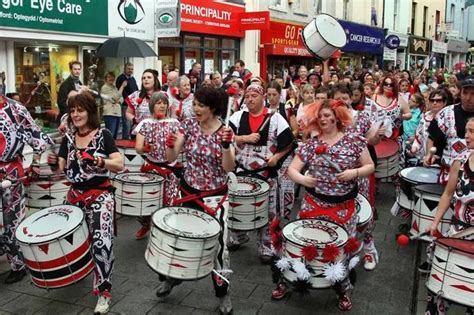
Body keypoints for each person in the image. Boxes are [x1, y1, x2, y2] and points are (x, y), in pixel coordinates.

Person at [277, 99, 374, 310]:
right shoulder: (312, 144)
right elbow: (293, 169)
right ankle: (288, 280)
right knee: (305, 245)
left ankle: (342, 290)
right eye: (320, 116)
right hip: (314, 203)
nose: (323, 119)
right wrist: (303, 180)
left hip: (343, 206)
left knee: (340, 250)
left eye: (328, 115)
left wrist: (353, 172)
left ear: (337, 118)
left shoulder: (354, 141)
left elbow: (370, 166)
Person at [48, 91, 123, 314]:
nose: (76, 115)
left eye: (80, 110)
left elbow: (118, 164)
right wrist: (52, 162)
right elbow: (61, 167)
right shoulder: (69, 138)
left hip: (100, 196)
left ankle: (104, 291)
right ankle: (80, 271)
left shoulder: (104, 135)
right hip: (74, 196)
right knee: (74, 241)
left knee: (102, 243)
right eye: (72, 111)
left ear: (90, 111)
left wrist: (100, 160)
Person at [162, 87, 236, 314]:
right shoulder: (189, 125)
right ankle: (172, 277)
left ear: (213, 108)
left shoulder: (225, 131)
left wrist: (225, 147)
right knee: (177, 238)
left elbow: (229, 167)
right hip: (187, 192)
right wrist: (169, 144)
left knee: (219, 248)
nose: (195, 109)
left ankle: (223, 294)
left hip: (214, 198)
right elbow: (171, 158)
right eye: (194, 103)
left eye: (201, 105)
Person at [227, 84, 296, 263]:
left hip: (266, 173)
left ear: (262, 97)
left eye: (254, 96)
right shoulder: (237, 116)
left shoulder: (276, 118)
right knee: (237, 206)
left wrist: (277, 157)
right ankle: (237, 236)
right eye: (247, 96)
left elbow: (289, 142)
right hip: (242, 171)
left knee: (268, 211)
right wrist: (243, 138)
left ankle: (268, 246)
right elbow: (225, 137)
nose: (250, 99)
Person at [0, 95, 53, 284]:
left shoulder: (15, 109)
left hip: (10, 173)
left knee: (11, 222)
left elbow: (38, 138)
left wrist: (36, 163)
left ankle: (18, 265)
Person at [424, 117, 474, 315]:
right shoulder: (460, 160)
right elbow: (447, 193)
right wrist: (435, 222)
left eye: (471, 131)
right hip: (457, 232)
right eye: (467, 130)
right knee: (441, 286)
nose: (466, 135)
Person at [134, 92, 182, 238]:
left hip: (169, 169)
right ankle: (146, 225)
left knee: (170, 203)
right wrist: (145, 148)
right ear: (151, 105)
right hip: (151, 170)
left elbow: (181, 144)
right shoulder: (145, 123)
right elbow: (137, 147)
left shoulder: (175, 123)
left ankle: (167, 232)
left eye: (164, 103)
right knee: (146, 203)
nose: (162, 105)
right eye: (158, 103)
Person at [424, 76, 474, 184]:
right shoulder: (445, 114)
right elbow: (431, 137)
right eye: (465, 93)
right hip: (448, 175)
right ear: (460, 93)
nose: (468, 98)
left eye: (473, 94)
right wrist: (429, 154)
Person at [267, 82, 298, 220]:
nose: (272, 98)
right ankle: (272, 216)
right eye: (269, 95)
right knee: (272, 185)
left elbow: (295, 129)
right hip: (270, 153)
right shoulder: (264, 110)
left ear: (280, 95)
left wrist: (286, 139)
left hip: (286, 152)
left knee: (286, 186)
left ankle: (284, 215)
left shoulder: (286, 109)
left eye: (274, 94)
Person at [125, 69, 161, 139]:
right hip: (138, 132)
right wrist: (135, 119)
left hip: (158, 132)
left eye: (149, 77)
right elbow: (128, 113)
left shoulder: (163, 95)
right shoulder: (135, 95)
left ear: (155, 80)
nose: (146, 80)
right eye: (143, 78)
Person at [116, 63, 139, 140]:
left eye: (132, 69)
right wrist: (130, 101)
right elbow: (121, 92)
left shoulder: (132, 79)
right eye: (129, 69)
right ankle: (125, 140)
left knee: (133, 123)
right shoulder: (120, 78)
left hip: (134, 105)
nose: (130, 70)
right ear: (125, 69)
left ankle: (131, 139)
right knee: (126, 124)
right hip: (126, 104)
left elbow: (136, 90)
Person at [101, 72, 126, 139]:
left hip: (117, 113)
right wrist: (122, 87)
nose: (111, 78)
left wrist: (117, 100)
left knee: (115, 136)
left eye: (112, 77)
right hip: (110, 114)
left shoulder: (114, 87)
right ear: (106, 78)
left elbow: (121, 99)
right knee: (110, 135)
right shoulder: (105, 87)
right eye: (109, 77)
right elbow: (115, 98)